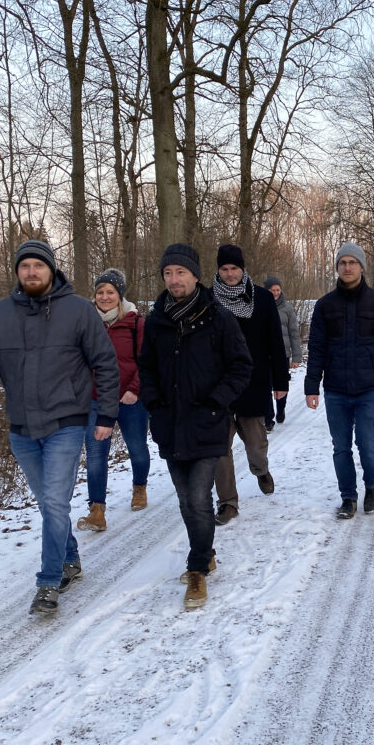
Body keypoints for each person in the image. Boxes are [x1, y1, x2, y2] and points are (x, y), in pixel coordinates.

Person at [0, 239, 119, 616]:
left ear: (52, 270)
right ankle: (70, 558)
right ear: (17, 272)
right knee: (49, 504)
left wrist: (108, 416)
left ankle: (48, 584)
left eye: (38, 266)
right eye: (24, 266)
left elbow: (106, 364)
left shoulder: (80, 311)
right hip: (21, 428)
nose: (31, 272)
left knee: (53, 501)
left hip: (67, 422)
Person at [138, 243, 252, 608]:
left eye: (180, 273)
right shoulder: (156, 320)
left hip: (208, 423)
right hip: (171, 424)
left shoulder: (218, 316)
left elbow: (241, 366)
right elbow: (147, 369)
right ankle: (205, 552)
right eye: (168, 273)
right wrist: (154, 405)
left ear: (195, 275)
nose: (174, 280)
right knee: (187, 500)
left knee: (200, 498)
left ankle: (197, 570)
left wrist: (217, 401)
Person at [305, 242, 374, 519]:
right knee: (341, 446)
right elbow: (317, 348)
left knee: (367, 442)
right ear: (337, 267)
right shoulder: (325, 305)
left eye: (352, 262)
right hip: (336, 389)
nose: (347, 267)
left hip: (370, 387)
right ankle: (348, 497)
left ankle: (372, 485)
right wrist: (312, 386)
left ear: (361, 267)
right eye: (342, 262)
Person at [210, 245, 290, 525]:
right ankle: (228, 502)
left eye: (234, 268)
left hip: (253, 380)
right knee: (220, 446)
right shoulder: (208, 299)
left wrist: (281, 380)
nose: (230, 274)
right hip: (217, 385)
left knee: (256, 442)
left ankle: (261, 470)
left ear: (242, 269)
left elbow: (275, 344)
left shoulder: (263, 298)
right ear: (218, 270)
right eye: (225, 269)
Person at [76, 268, 150, 533]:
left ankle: (139, 487)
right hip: (95, 400)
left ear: (120, 295)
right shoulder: (84, 322)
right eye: (100, 292)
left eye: (110, 292)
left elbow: (147, 361)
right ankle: (97, 510)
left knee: (137, 449)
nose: (104, 297)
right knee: (95, 457)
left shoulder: (135, 323)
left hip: (130, 399)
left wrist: (135, 389)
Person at [263, 275, 302, 429]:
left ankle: (281, 409)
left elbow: (294, 333)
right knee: (265, 386)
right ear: (266, 290)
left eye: (278, 289)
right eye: (272, 290)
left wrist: (296, 356)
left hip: (283, 354)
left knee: (281, 385)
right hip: (265, 355)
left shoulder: (287, 308)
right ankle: (268, 418)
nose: (276, 292)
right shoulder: (260, 306)